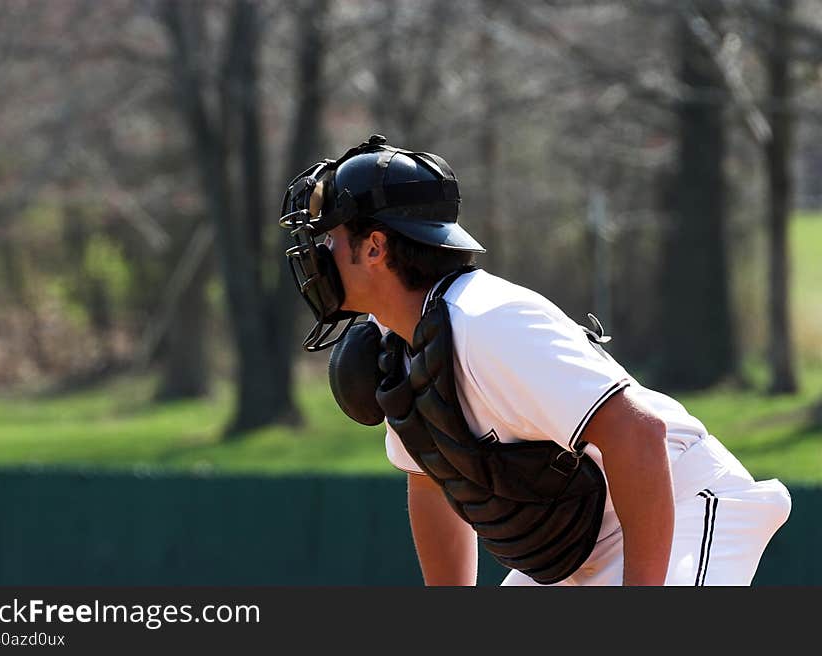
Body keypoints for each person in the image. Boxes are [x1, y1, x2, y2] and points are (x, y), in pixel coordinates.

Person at [279, 134, 792, 586]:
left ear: (375, 247)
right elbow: (432, 478)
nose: (317, 250)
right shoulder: (395, 345)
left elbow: (638, 433)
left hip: (682, 509)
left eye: (330, 236)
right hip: (576, 553)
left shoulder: (488, 320)